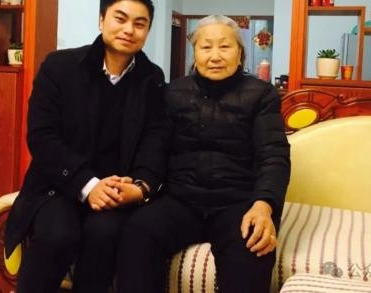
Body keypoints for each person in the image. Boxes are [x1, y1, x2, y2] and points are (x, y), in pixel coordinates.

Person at [4, 0, 168, 293]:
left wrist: (140, 186)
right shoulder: (60, 66)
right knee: (57, 235)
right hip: (59, 185)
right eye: (120, 18)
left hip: (116, 190)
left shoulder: (153, 78)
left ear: (147, 31)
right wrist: (88, 185)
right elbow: (42, 136)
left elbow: (155, 140)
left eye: (140, 23)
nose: (129, 30)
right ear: (101, 20)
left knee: (105, 235)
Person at [116, 15, 291, 293]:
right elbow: (156, 149)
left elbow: (274, 155)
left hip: (238, 202)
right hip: (181, 200)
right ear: (194, 53)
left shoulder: (261, 94)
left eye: (225, 47)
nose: (215, 56)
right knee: (138, 232)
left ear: (240, 53)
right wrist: (142, 186)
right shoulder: (174, 92)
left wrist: (263, 205)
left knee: (253, 250)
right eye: (206, 47)